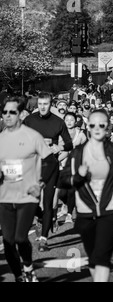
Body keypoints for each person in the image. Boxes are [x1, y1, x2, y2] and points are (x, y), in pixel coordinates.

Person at [59, 109, 113, 282]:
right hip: (85, 211)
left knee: (103, 253)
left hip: (111, 208)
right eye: (92, 125)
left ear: (108, 127)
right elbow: (62, 181)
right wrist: (78, 176)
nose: (97, 128)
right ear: (88, 127)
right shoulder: (78, 153)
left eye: (102, 125)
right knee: (93, 256)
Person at [0, 97, 57, 282]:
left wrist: (39, 183)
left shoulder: (32, 136)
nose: (8, 116)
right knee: (7, 241)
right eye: (5, 112)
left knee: (19, 237)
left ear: (20, 114)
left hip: (27, 196)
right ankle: (19, 275)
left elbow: (50, 161)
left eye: (12, 112)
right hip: (5, 196)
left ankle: (28, 267)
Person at [23, 92, 73, 252]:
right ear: (37, 105)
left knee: (48, 201)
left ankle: (44, 239)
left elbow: (69, 143)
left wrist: (59, 147)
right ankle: (38, 216)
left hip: (50, 165)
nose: (43, 107)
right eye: (40, 104)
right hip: (32, 165)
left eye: (46, 104)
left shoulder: (58, 122)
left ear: (51, 105)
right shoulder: (30, 120)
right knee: (30, 200)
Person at [57, 112, 87, 224]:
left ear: (75, 121)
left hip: (75, 166)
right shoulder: (60, 134)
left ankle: (69, 214)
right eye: (67, 120)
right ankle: (66, 204)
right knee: (61, 193)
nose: (69, 122)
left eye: (71, 120)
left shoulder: (81, 134)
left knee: (71, 190)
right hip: (61, 165)